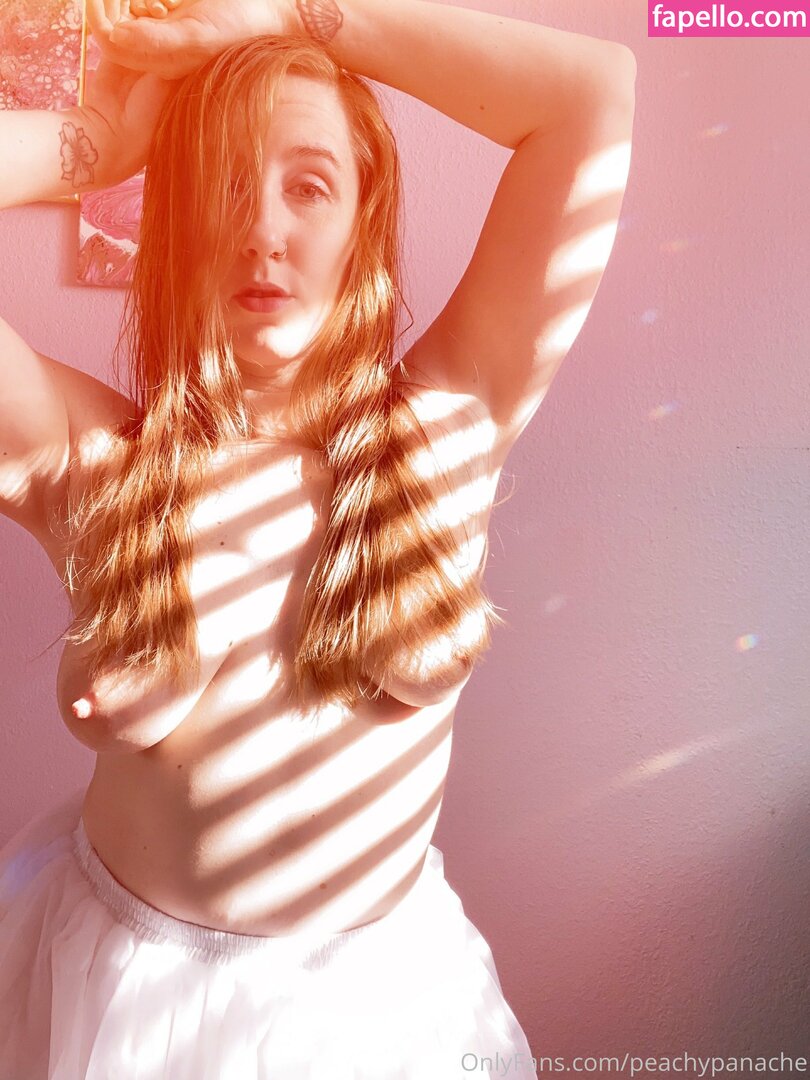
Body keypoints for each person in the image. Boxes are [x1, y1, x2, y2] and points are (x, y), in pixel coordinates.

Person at [0, 0, 636, 1076]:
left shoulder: (446, 428)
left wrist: (291, 15)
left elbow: (592, 94)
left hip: (382, 1022)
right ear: (174, 226)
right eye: (224, 188)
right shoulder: (91, 461)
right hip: (125, 1019)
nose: (263, 230)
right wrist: (95, 145)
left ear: (363, 219)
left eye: (308, 185)